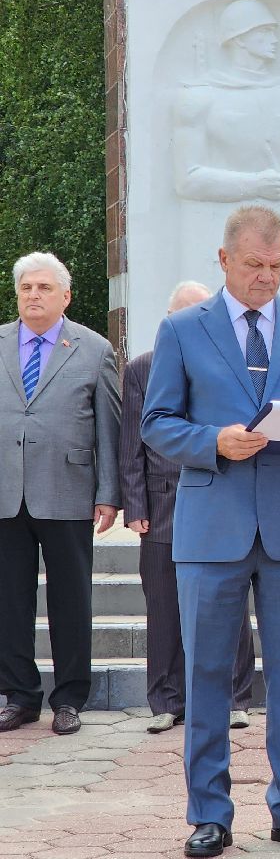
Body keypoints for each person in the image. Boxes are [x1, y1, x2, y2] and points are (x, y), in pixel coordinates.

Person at [141, 205, 280, 858]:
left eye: (273, 267)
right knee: (206, 672)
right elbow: (157, 423)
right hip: (211, 525)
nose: (267, 278)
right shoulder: (182, 330)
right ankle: (209, 812)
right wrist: (212, 441)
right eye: (254, 266)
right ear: (225, 259)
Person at [120, 281, 258, 735]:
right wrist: (134, 504)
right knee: (162, 607)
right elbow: (132, 444)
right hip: (162, 507)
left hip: (220, 501)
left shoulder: (232, 365)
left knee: (230, 603)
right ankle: (166, 700)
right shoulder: (142, 368)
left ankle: (236, 697)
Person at [0, 252, 120, 736]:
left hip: (69, 491)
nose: (34, 295)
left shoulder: (92, 349)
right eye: (26, 287)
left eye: (45, 288)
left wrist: (109, 492)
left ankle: (69, 697)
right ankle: (19, 695)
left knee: (71, 599)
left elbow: (110, 429)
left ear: (65, 296)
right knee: (9, 599)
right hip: (7, 491)